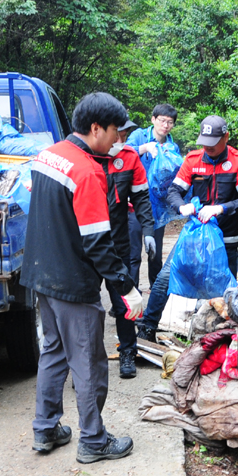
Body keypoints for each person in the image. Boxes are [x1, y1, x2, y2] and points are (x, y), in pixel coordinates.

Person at [24, 92, 143, 464]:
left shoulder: (50, 154)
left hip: (42, 275)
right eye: (115, 133)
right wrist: (126, 287)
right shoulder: (87, 171)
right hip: (73, 282)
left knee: (54, 352)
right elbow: (97, 243)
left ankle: (45, 429)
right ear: (95, 129)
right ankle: (93, 440)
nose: (119, 141)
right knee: (89, 362)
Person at [138, 115, 238, 339]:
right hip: (193, 237)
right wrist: (181, 206)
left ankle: (229, 335)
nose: (208, 148)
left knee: (226, 289)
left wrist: (220, 208)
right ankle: (147, 328)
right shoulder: (194, 160)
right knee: (166, 277)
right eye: (204, 143)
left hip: (225, 239)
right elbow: (174, 191)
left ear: (226, 137)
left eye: (213, 144)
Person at [105, 119, 154, 379]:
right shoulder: (83, 156)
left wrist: (148, 230)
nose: (121, 138)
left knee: (123, 299)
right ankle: (86, 363)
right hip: (87, 243)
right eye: (118, 132)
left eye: (124, 133)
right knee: (86, 307)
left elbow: (140, 197)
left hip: (118, 240)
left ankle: (127, 352)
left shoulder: (129, 157)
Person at [126, 103, 179, 287]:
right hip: (134, 203)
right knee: (133, 253)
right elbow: (122, 155)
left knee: (154, 252)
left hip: (157, 207)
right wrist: (145, 148)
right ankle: (130, 294)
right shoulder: (139, 136)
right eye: (162, 120)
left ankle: (155, 291)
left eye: (170, 122)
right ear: (153, 119)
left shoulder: (172, 147)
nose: (165, 125)